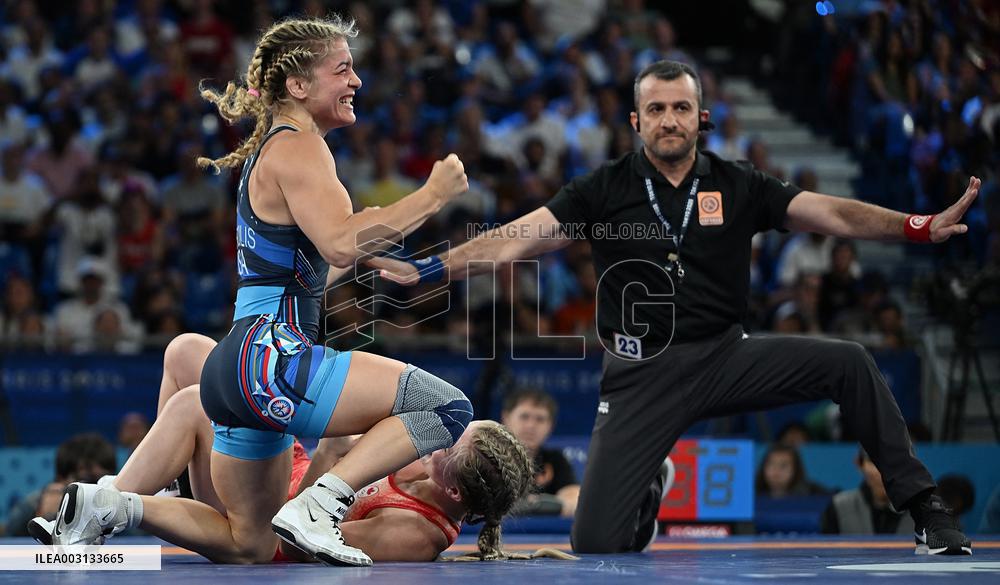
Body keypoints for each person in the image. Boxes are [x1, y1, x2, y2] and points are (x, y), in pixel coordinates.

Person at [371, 60, 978, 555]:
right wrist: (431, 267)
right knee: (597, 544)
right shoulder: (603, 189)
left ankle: (925, 506)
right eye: (656, 109)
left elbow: (834, 214)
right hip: (640, 377)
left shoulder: (740, 184)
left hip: (724, 356)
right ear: (637, 121)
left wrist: (918, 227)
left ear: (701, 118)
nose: (669, 119)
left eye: (681, 108)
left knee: (850, 362)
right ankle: (650, 489)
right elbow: (516, 239)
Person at [50, 16, 475, 567]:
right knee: (444, 406)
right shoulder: (300, 146)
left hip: (242, 361)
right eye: (342, 68)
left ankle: (112, 505)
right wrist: (434, 195)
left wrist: (367, 254)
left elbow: (314, 249)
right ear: (297, 86)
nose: (357, 82)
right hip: (278, 359)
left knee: (250, 543)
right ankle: (323, 503)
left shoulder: (276, 147)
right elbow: (341, 241)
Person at [32, 333, 557, 562]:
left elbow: (291, 540)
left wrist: (331, 457)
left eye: (445, 449)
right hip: (280, 472)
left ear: (454, 492)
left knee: (196, 404)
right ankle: (170, 487)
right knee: (187, 352)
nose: (433, 444)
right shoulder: (431, 463)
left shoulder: (416, 533)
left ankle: (106, 504)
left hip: (265, 515)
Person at [501, 388, 580, 517]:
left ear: (551, 426)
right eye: (524, 417)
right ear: (506, 418)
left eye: (540, 419)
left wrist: (535, 505)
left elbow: (574, 500)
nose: (531, 425)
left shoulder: (555, 460)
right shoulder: (487, 456)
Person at [821, 448, 915, 536]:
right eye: (874, 461)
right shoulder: (839, 508)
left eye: (896, 461)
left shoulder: (925, 510)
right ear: (859, 463)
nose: (884, 472)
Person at [755, 443, 827, 499]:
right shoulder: (752, 495)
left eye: (783, 466)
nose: (776, 470)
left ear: (795, 470)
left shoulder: (814, 494)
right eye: (771, 464)